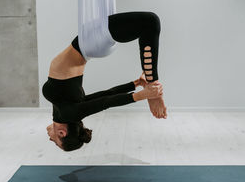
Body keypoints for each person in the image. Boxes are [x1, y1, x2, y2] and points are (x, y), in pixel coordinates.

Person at [42, 11, 167, 151]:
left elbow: (104, 94)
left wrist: (135, 84)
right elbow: (105, 102)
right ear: (62, 133)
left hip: (88, 47)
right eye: (55, 142)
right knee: (150, 21)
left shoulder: (64, 113)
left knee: (149, 23)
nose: (50, 139)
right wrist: (143, 95)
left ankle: (152, 87)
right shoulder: (69, 114)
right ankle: (153, 84)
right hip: (87, 44)